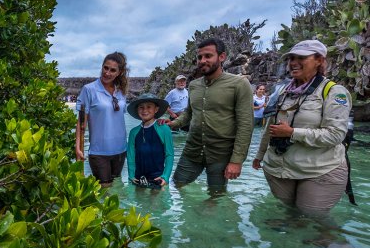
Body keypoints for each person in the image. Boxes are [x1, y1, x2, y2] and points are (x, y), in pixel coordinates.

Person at [252, 39, 352, 217]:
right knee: (289, 216)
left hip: (321, 169)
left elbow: (336, 135)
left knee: (313, 220)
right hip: (280, 169)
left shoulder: (334, 92)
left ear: (319, 61)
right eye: (291, 58)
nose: (293, 63)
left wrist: (292, 133)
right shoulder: (282, 92)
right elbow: (270, 127)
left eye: (301, 57)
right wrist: (259, 155)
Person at [166, 38, 254, 193]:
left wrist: (237, 160)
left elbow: (245, 124)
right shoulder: (193, 85)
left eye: (208, 56)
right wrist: (173, 124)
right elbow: (189, 113)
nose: (202, 61)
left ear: (222, 57)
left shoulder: (239, 84)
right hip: (192, 150)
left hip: (220, 154)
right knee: (175, 186)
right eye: (199, 57)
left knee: (216, 196)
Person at [75, 52, 129, 187]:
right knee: (105, 191)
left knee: (117, 189)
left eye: (112, 70)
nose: (107, 73)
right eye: (106, 68)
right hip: (99, 152)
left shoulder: (121, 91)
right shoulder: (89, 89)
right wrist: (77, 147)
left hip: (121, 149)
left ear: (119, 72)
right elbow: (81, 122)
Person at [126, 93, 174, 188]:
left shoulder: (164, 129)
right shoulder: (133, 132)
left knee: (157, 202)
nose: (145, 110)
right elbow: (130, 156)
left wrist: (165, 176)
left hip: (158, 179)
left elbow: (169, 154)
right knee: (137, 202)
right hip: (138, 178)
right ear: (137, 110)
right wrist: (131, 175)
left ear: (156, 109)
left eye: (149, 107)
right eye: (141, 107)